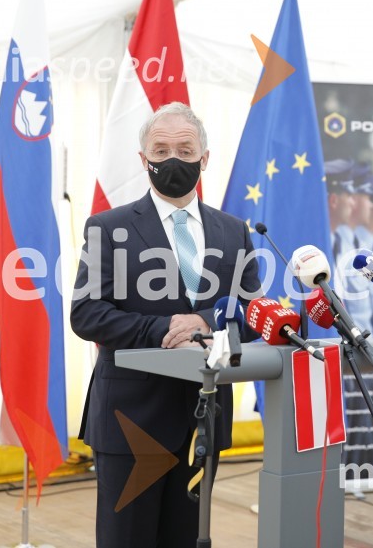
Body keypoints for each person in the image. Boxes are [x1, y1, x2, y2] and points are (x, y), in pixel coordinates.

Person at [70, 102, 262, 548]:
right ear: (143, 161)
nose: (172, 159)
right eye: (160, 150)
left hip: (204, 424)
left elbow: (253, 309)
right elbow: (85, 313)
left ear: (204, 158)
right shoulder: (109, 228)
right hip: (130, 422)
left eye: (184, 149)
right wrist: (162, 329)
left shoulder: (234, 231)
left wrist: (206, 321)